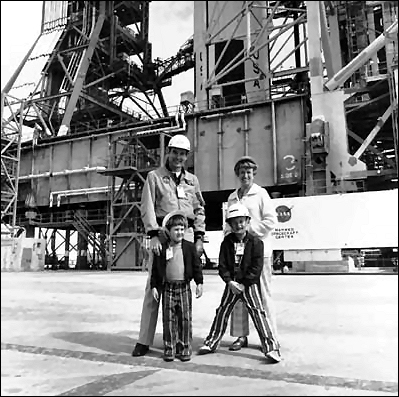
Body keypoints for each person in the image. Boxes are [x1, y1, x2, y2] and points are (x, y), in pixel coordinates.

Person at [132, 134, 206, 357]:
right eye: (175, 152)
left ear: (187, 156)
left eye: (183, 154)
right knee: (155, 285)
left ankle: (182, 342)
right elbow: (148, 207)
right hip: (163, 235)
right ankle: (144, 340)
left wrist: (200, 237)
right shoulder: (154, 177)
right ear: (169, 152)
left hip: (187, 235)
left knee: (183, 285)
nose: (179, 157)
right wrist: (153, 234)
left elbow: (200, 208)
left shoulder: (192, 181)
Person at [197, 203, 281, 363]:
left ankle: (272, 348)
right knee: (222, 312)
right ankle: (211, 343)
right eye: (234, 222)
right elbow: (222, 265)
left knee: (258, 314)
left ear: (248, 221)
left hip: (249, 286)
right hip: (232, 285)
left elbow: (256, 268)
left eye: (241, 221)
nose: (238, 225)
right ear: (230, 224)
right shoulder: (227, 243)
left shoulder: (256, 243)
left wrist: (244, 284)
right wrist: (229, 282)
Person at [225, 156, 278, 352]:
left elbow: (271, 221)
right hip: (238, 254)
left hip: (259, 253)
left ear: (254, 174)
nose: (245, 175)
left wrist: (249, 232)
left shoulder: (261, 194)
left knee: (263, 294)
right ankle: (241, 336)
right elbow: (227, 224)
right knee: (239, 295)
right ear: (237, 175)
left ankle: (270, 336)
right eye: (242, 172)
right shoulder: (232, 198)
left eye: (249, 172)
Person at [151, 210, 203, 362]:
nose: (180, 232)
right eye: (176, 229)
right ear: (168, 230)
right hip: (168, 288)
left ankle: (185, 346)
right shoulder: (162, 248)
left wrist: (199, 282)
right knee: (169, 319)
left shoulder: (189, 247)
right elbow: (156, 269)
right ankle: (170, 347)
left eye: (182, 229)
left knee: (185, 319)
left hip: (184, 288)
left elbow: (196, 266)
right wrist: (154, 286)